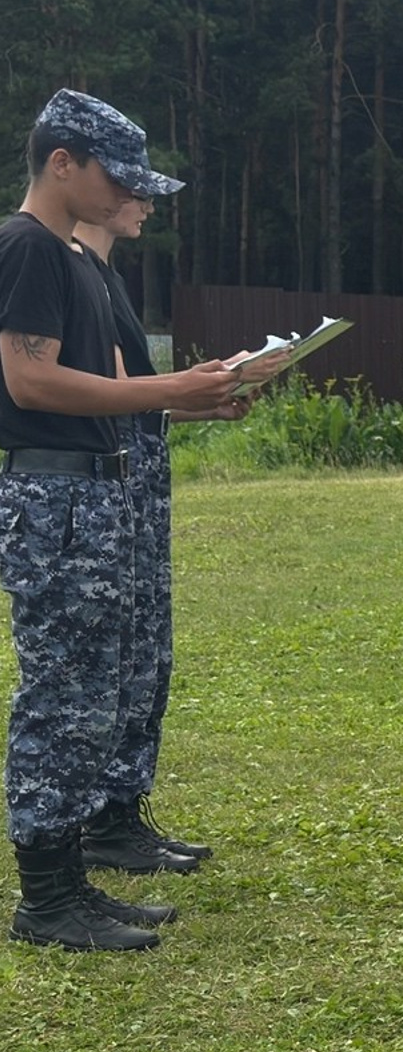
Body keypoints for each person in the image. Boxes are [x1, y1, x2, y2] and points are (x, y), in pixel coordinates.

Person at [3, 92, 251, 951]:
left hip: (90, 492)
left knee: (94, 697)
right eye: (116, 176)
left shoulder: (70, 260)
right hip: (56, 499)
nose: (128, 195)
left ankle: (71, 880)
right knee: (61, 697)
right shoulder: (27, 247)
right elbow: (29, 383)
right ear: (61, 161)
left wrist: (185, 401)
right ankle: (46, 899)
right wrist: (173, 389)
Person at [66, 182, 234, 880]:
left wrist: (206, 405)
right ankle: (96, 825)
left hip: (138, 481)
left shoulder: (105, 277)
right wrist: (178, 389)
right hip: (99, 489)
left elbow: (131, 397)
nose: (148, 206)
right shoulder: (63, 267)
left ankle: (120, 816)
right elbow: (77, 393)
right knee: (106, 665)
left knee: (144, 659)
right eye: (136, 192)